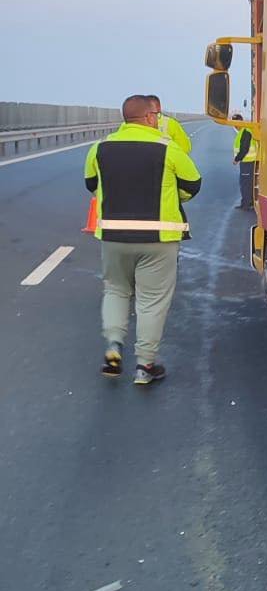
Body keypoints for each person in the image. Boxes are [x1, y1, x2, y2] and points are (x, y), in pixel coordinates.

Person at [84, 94, 202, 387]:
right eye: (157, 116)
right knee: (151, 301)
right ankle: (145, 366)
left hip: (113, 236)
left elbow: (92, 184)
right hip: (158, 239)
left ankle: (113, 346)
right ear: (150, 117)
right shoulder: (167, 149)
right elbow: (192, 184)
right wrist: (172, 197)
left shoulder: (100, 147)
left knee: (115, 290)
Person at [231, 112, 258, 211]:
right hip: (247, 161)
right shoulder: (243, 131)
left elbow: (244, 148)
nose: (235, 125)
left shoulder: (246, 131)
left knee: (245, 183)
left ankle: (246, 204)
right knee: (247, 183)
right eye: (233, 123)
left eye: (237, 122)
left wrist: (237, 159)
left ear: (241, 121)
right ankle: (248, 203)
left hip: (248, 161)